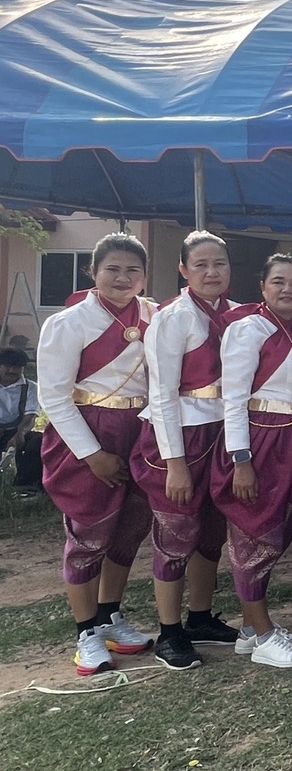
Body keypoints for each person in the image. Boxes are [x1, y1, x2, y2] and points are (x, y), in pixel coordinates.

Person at [36, 233, 158, 675]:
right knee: (88, 534)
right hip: (89, 432)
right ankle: (86, 631)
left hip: (139, 430)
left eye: (132, 270)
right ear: (93, 272)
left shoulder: (155, 316)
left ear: (144, 276)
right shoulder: (68, 323)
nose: (122, 278)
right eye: (113, 269)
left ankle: (110, 616)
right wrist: (92, 455)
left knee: (130, 529)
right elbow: (54, 397)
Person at [131, 232, 239, 670]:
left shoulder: (238, 314)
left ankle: (200, 616)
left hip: (223, 430)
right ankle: (169, 630)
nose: (212, 272)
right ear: (183, 270)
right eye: (201, 265)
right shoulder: (172, 318)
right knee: (176, 533)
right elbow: (161, 394)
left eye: (220, 263)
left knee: (212, 530)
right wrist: (174, 463)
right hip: (181, 436)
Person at [215, 253, 292, 668]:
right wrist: (241, 459)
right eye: (278, 281)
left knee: (275, 534)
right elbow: (234, 398)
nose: (287, 289)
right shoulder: (247, 329)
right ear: (263, 287)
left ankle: (250, 626)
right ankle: (262, 635)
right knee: (252, 535)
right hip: (260, 440)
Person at [0, 348, 42, 489]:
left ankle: (27, 485)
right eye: (7, 366)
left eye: (17, 367)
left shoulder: (31, 388)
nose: (12, 370)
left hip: (15, 430)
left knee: (38, 442)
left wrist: (20, 433)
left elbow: (30, 416)